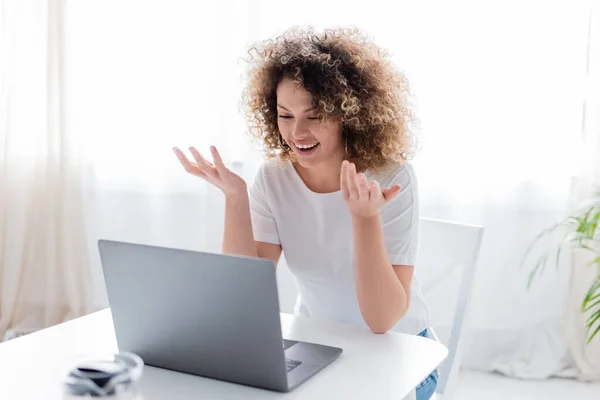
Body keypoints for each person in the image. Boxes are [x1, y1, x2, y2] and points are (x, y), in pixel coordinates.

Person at [173, 26, 437, 399]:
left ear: (349, 113)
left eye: (314, 115)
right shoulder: (274, 177)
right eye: (285, 115)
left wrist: (364, 218)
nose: (297, 132)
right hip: (318, 344)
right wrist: (236, 197)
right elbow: (243, 300)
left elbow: (382, 321)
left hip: (401, 351)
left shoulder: (390, 177)